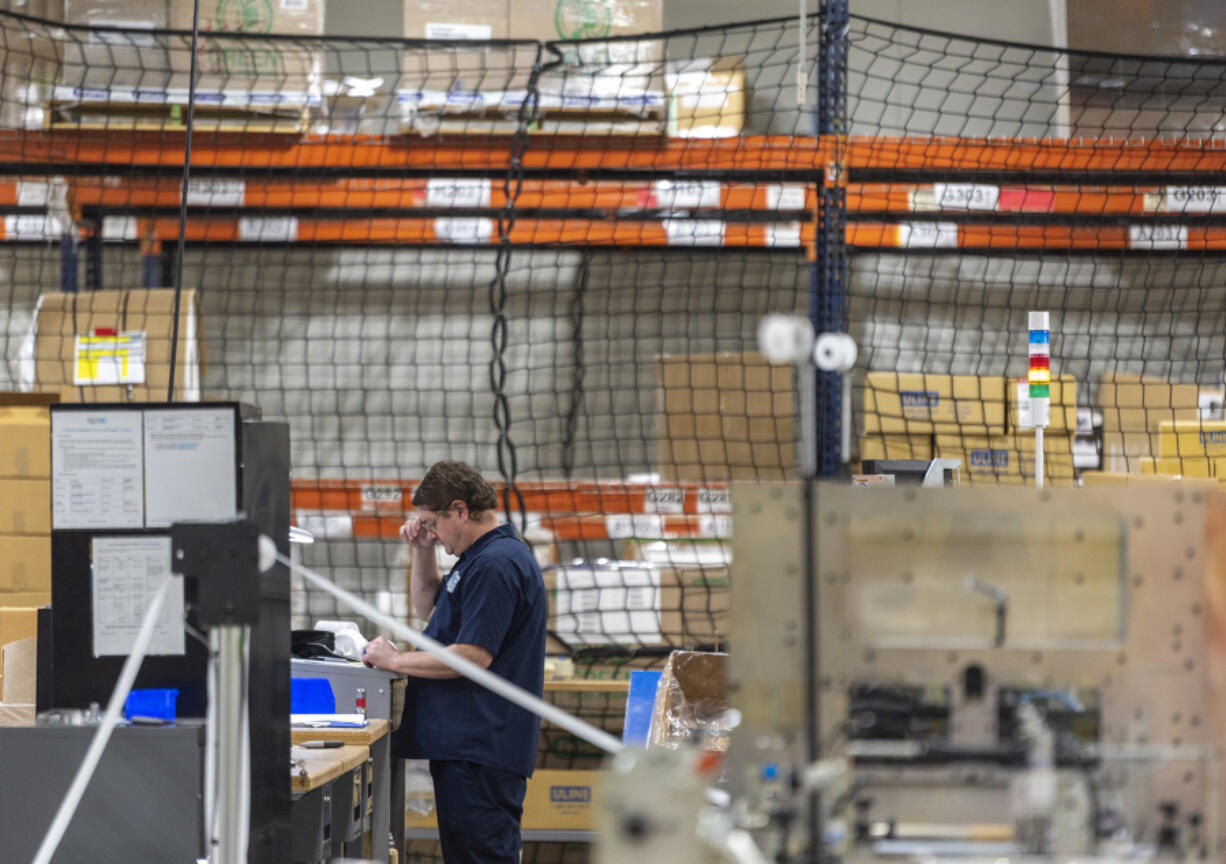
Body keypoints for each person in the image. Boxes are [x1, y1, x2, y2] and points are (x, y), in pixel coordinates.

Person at [361, 460, 547, 864]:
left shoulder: (496, 564)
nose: (428, 531)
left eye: (431, 523)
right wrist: (421, 550)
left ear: (459, 510)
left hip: (481, 750)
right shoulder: (478, 559)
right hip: (467, 749)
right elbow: (430, 607)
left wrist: (396, 659)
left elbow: (471, 657)